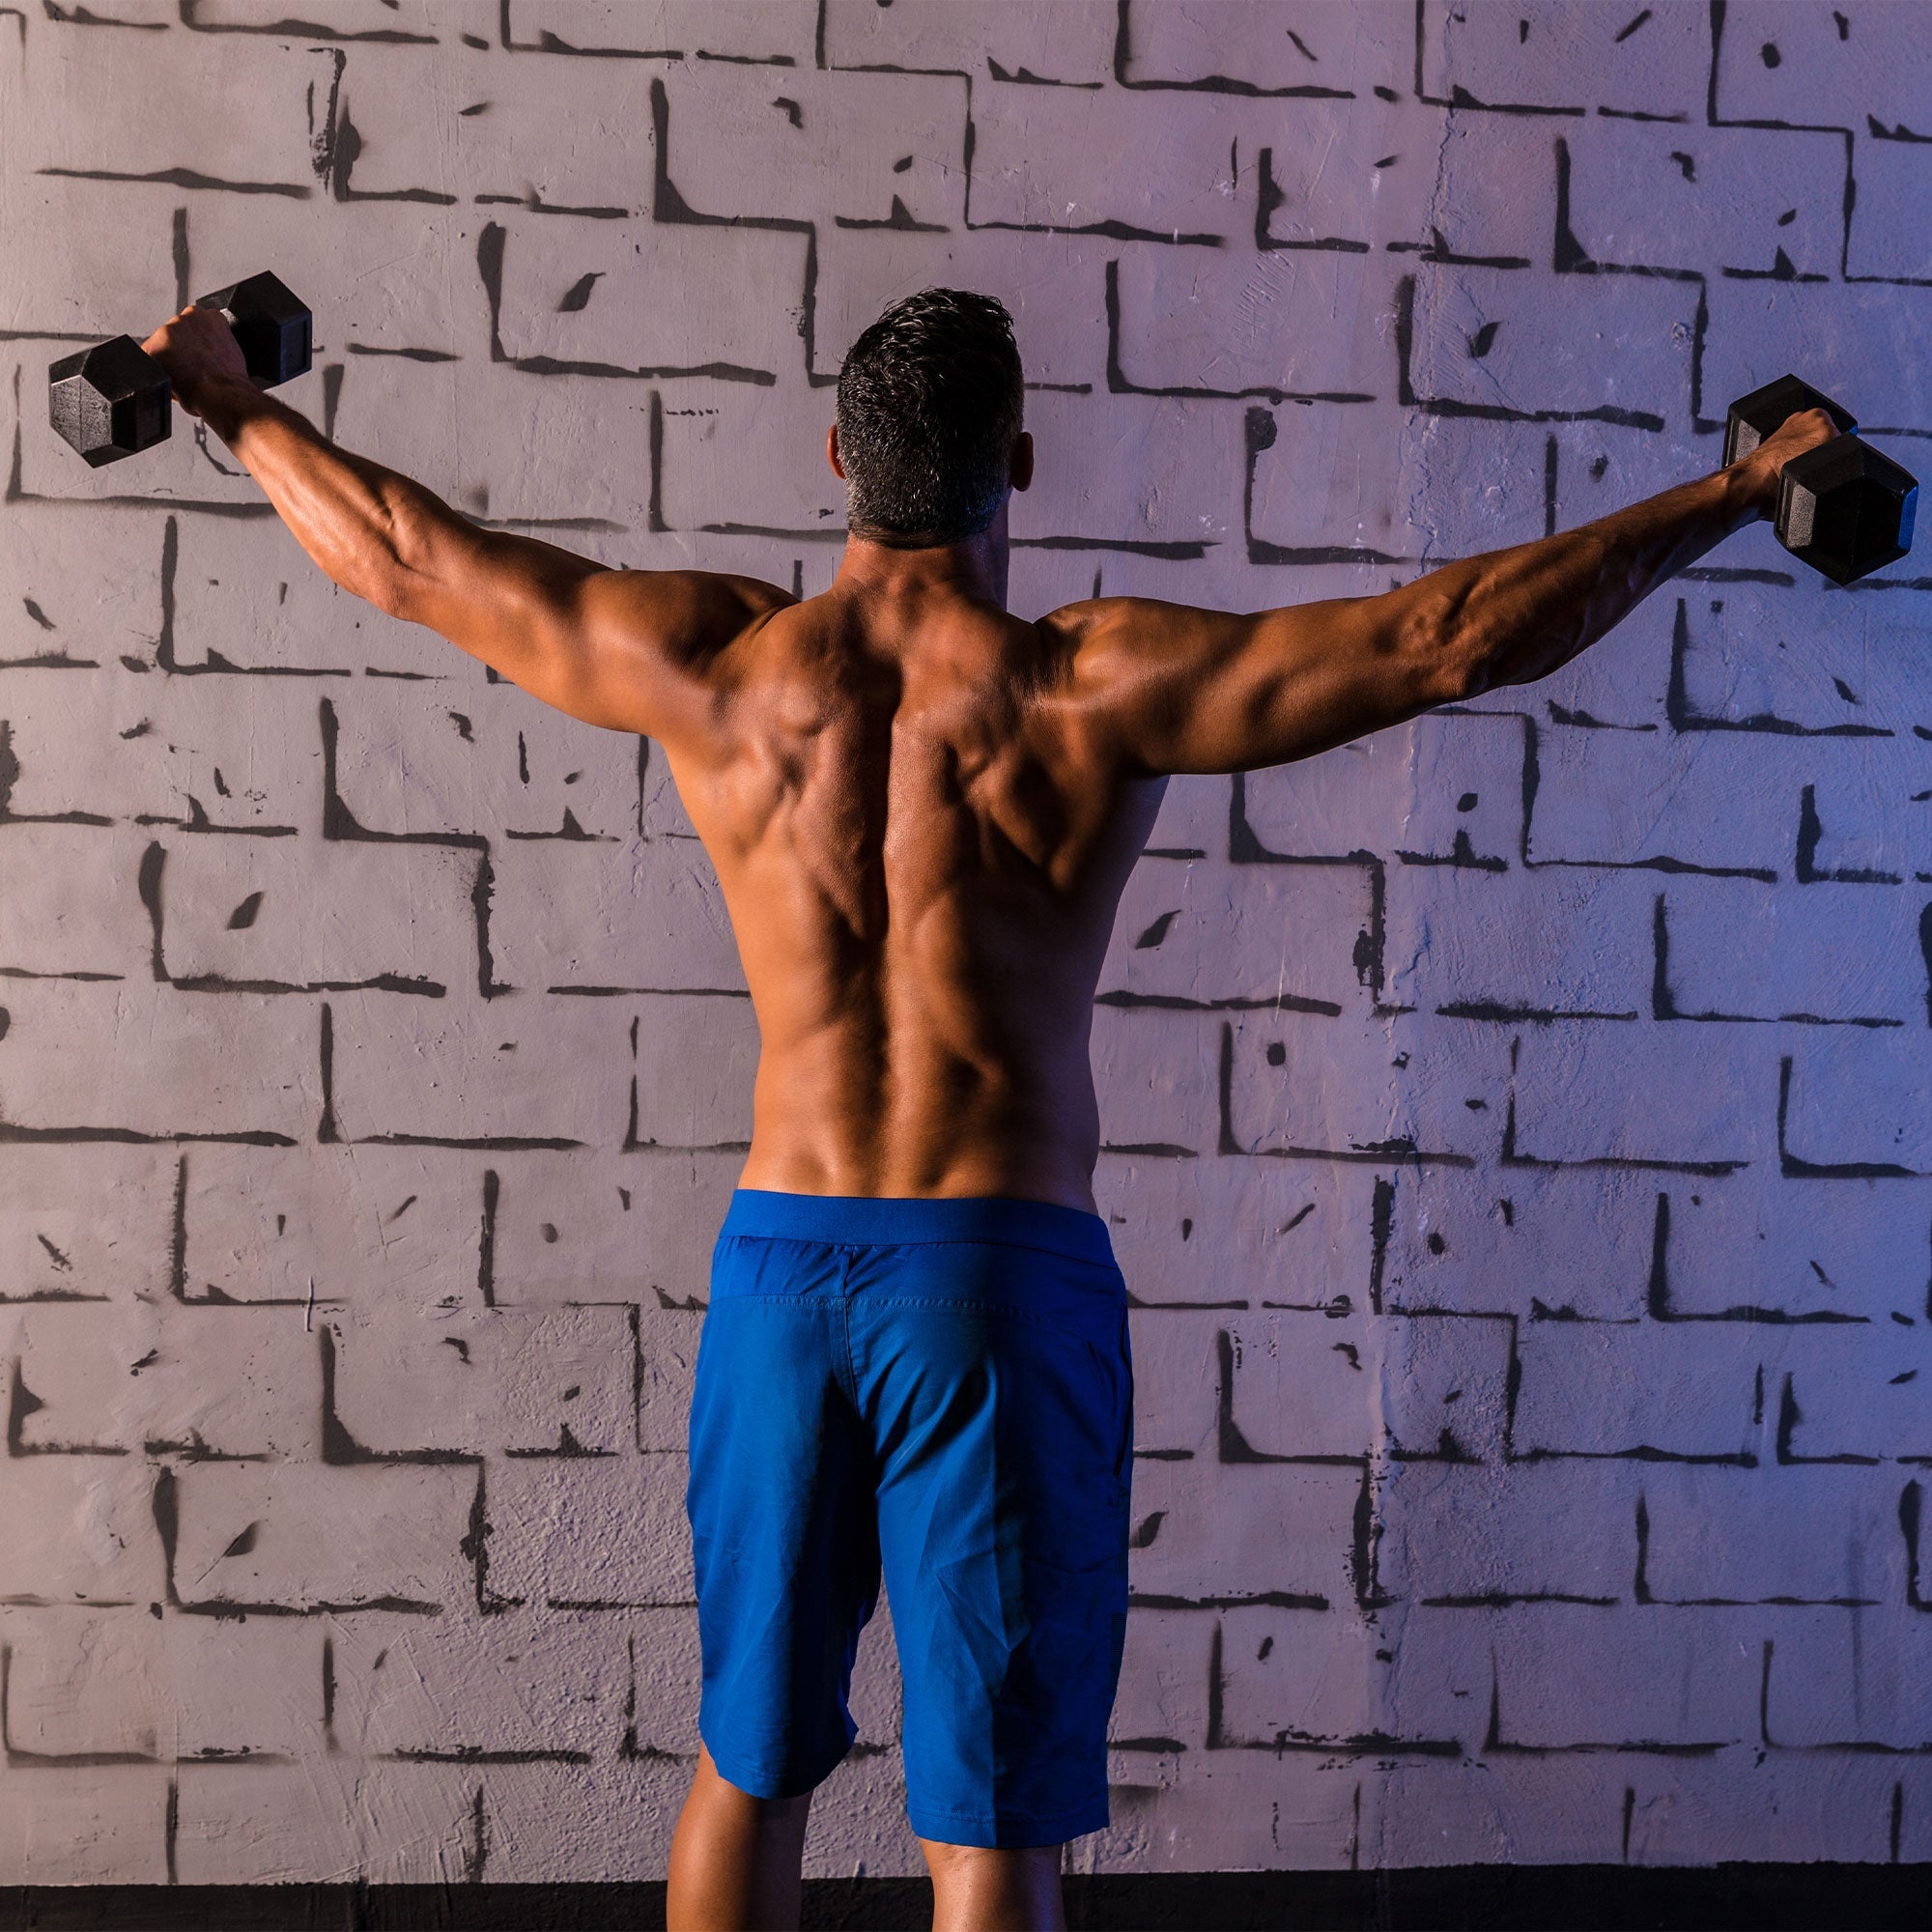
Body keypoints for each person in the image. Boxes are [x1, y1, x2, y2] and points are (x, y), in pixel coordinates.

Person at [142, 286, 1834, 1931]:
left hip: (781, 1278)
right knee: (994, 1824)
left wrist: (229, 399)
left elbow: (408, 559)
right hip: (997, 1281)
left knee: (747, 1771)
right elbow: (1438, 641)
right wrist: (1736, 489)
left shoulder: (714, 663)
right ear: (1016, 463)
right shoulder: (1085, 682)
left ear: (836, 457)